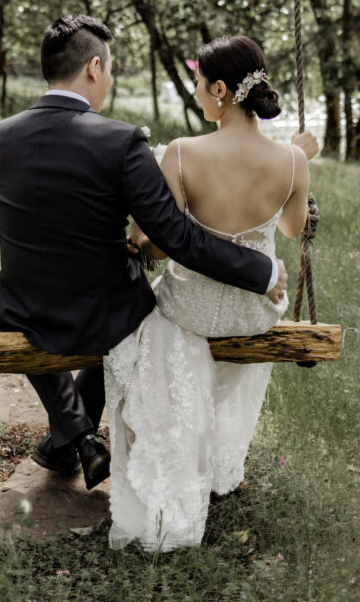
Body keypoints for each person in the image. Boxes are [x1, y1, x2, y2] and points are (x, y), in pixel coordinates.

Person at [0, 16, 288, 492]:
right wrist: (260, 269)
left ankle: (74, 436)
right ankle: (78, 435)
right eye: (110, 70)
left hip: (21, 307)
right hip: (104, 310)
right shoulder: (120, 141)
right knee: (141, 308)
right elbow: (178, 238)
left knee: (34, 302)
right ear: (94, 67)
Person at [105, 34, 319, 551]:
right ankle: (217, 457)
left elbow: (158, 242)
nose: (196, 94)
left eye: (199, 85)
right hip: (255, 310)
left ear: (221, 89)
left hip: (192, 309)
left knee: (140, 333)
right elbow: (292, 230)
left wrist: (136, 236)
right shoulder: (292, 162)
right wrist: (299, 166)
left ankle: (160, 452)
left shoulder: (180, 154)